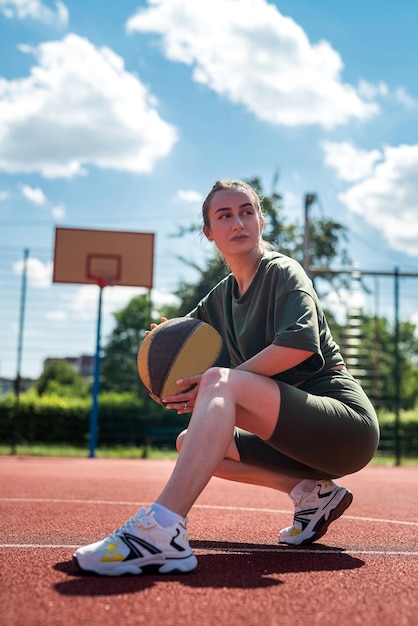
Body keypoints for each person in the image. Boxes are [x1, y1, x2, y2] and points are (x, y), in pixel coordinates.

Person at [74, 179, 379, 576]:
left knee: (222, 380)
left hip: (343, 426)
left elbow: (298, 346)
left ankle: (161, 529)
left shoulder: (283, 271)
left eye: (246, 212)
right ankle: (312, 493)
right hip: (292, 438)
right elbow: (185, 342)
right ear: (209, 232)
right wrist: (168, 363)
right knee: (191, 442)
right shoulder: (220, 297)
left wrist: (217, 383)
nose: (238, 222)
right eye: (225, 215)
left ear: (260, 221)